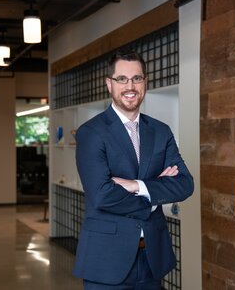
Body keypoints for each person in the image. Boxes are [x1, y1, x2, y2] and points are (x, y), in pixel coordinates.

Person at [73, 50, 194, 289]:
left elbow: (185, 183)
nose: (130, 86)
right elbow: (102, 195)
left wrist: (137, 186)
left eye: (137, 78)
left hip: (152, 258)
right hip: (107, 261)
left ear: (145, 82)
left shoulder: (161, 131)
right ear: (109, 84)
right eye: (122, 79)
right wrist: (154, 196)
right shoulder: (91, 133)